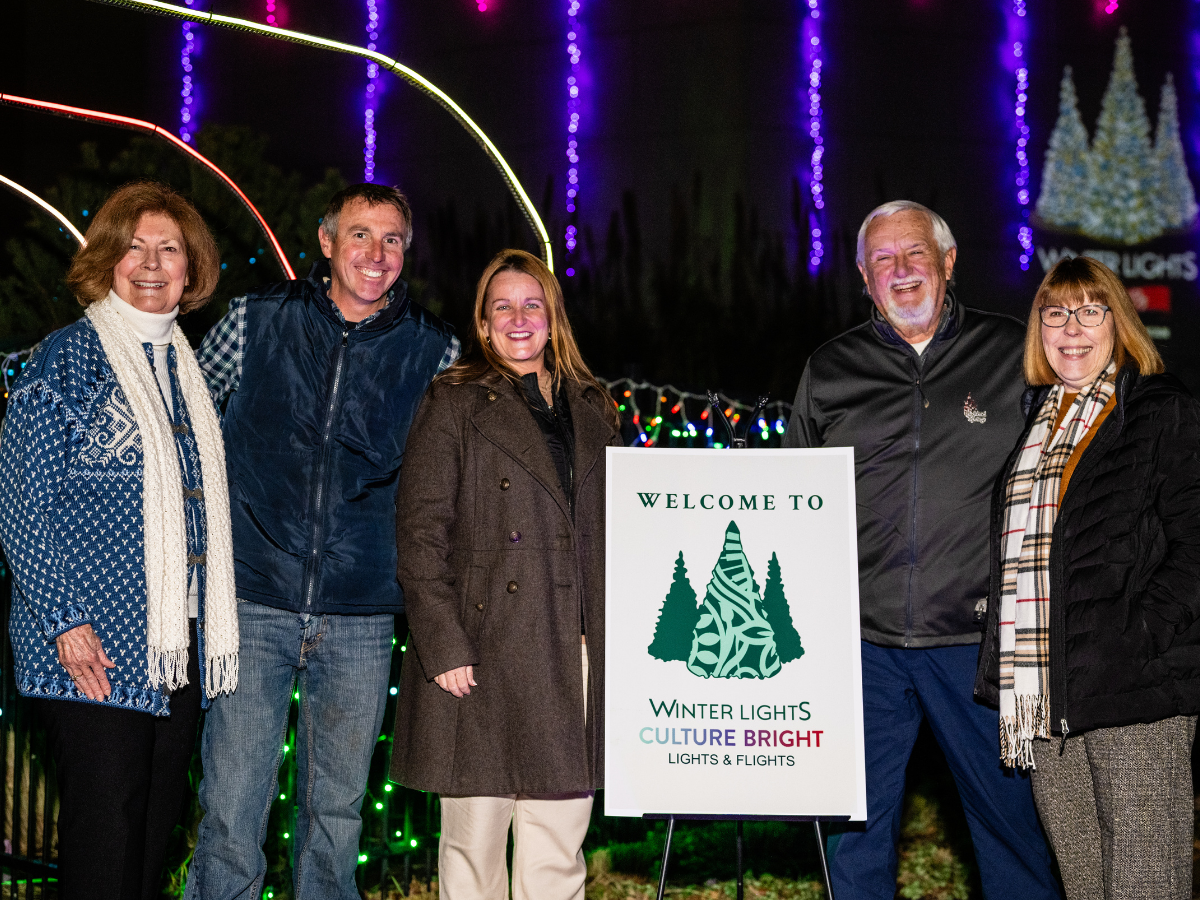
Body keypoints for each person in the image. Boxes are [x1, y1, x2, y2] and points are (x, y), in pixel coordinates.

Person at [185, 184, 459, 900]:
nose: (378, 253)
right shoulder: (253, 320)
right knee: (233, 808)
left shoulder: (435, 350)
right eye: (362, 235)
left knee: (336, 813)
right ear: (328, 242)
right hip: (252, 599)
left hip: (363, 612)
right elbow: (190, 439)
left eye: (394, 239)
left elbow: (447, 477)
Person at [783, 201, 1057, 899]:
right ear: (863, 277)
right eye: (883, 260)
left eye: (914, 255)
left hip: (981, 641)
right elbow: (791, 498)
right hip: (863, 646)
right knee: (856, 833)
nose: (901, 271)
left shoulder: (1013, 353)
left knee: (1012, 829)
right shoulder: (831, 368)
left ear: (948, 262)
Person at [0, 181, 237, 900]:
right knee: (106, 839)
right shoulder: (61, 364)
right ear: (106, 259)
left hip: (176, 645)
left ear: (191, 271)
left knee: (151, 831)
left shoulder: (188, 370)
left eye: (169, 249)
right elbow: (20, 507)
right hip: (92, 647)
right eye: (134, 246)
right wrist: (65, 624)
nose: (152, 262)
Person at [389, 249, 620, 900]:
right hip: (480, 653)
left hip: (571, 650)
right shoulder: (454, 399)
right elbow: (419, 530)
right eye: (503, 307)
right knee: (474, 846)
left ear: (553, 318)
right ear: (484, 326)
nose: (519, 319)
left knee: (557, 844)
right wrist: (443, 646)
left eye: (532, 305)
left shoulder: (595, 409)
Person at [975, 255, 1200, 900]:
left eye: (1090, 311)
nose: (1072, 328)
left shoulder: (1160, 410)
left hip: (1136, 693)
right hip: (1044, 697)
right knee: (1083, 882)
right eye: (1056, 313)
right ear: (1039, 332)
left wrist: (1143, 633)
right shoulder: (1036, 424)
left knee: (1143, 884)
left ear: (1118, 323)